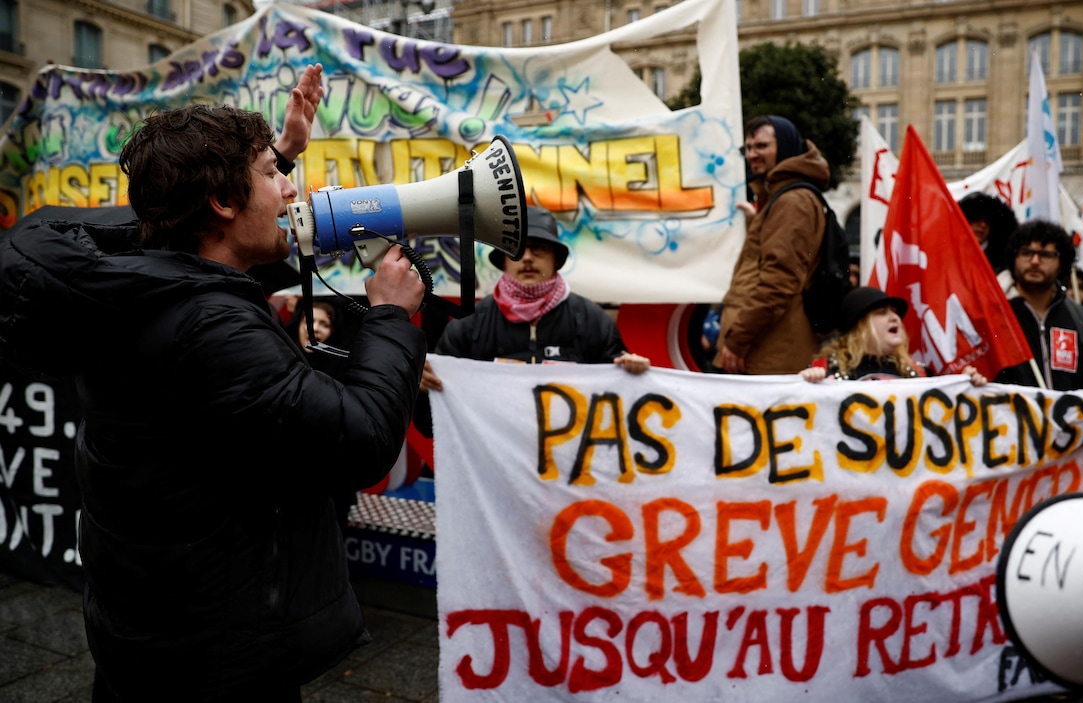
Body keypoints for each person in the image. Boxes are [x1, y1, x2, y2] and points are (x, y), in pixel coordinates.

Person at [0, 65, 431, 702]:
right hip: (217, 658)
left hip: (160, 626)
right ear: (223, 204)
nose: (289, 192)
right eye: (272, 176)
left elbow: (202, 243)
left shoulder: (146, 282)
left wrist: (276, 152)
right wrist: (391, 317)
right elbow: (360, 437)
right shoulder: (210, 326)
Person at [419, 204, 649, 396]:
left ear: (556, 260)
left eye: (538, 249)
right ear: (504, 260)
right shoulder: (468, 325)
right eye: (517, 251)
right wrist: (422, 388)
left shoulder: (592, 320)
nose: (527, 258)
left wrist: (633, 372)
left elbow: (620, 403)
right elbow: (432, 422)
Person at [715, 114, 828, 374]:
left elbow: (778, 281)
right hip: (763, 348)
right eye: (749, 148)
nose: (752, 154)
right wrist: (759, 224)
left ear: (785, 146)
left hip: (765, 352)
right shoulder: (782, 199)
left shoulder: (792, 202)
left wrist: (738, 339)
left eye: (762, 146)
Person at [995, 220, 1083, 391]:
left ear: (1062, 264)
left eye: (1046, 255)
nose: (1035, 261)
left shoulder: (1081, 319)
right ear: (1013, 259)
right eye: (1026, 253)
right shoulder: (996, 315)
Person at [799, 287, 987, 385]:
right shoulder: (825, 371)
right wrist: (808, 385)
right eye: (881, 312)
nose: (894, 318)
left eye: (894, 312)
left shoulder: (920, 373)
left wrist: (966, 388)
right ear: (858, 327)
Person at [958, 191, 1018, 274]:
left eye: (988, 221)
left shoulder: (1003, 263)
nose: (983, 225)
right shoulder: (947, 255)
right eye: (977, 218)